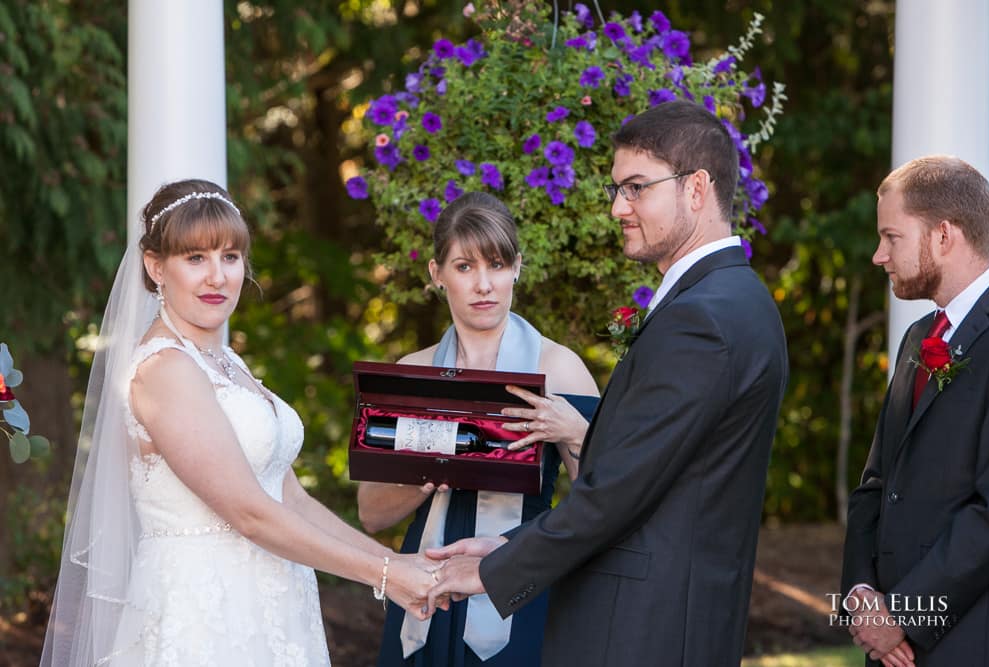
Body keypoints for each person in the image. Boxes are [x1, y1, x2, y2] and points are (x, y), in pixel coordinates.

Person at [425, 99, 789, 666]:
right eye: (617, 189)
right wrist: (508, 544)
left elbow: (617, 492)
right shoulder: (734, 299)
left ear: (696, 188)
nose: (619, 207)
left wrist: (494, 569)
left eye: (636, 187)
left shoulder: (703, 319)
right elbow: (647, 484)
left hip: (645, 631)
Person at [41, 178, 435, 666]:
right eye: (195, 258)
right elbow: (249, 512)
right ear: (156, 267)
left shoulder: (227, 362)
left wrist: (393, 562)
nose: (218, 276)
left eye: (229, 256)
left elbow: (290, 498)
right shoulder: (165, 369)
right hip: (204, 613)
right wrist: (383, 575)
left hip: (272, 603)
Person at [357, 191, 600, 667]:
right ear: (437, 273)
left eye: (497, 264)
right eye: (465, 266)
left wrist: (573, 430)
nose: (484, 284)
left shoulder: (560, 368)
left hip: (521, 591)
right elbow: (371, 514)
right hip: (426, 589)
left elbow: (604, 499)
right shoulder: (412, 374)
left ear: (517, 268)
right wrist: (427, 473)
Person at [840, 155, 989, 667]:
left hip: (970, 642)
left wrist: (905, 617)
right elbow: (876, 482)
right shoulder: (918, 337)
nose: (878, 255)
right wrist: (862, 594)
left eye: (892, 237)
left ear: (943, 236)